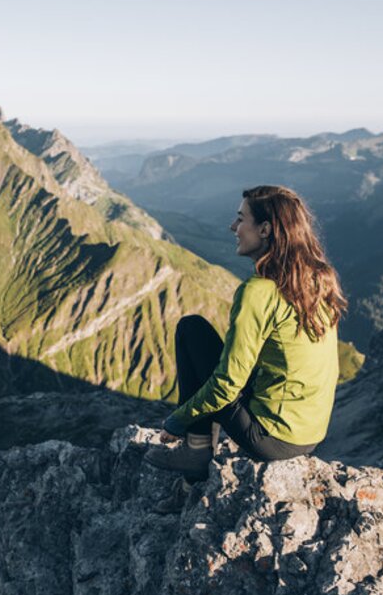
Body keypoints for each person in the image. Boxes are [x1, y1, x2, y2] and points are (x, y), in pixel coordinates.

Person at [145, 185, 347, 482]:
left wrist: (176, 422)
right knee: (206, 339)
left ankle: (196, 450)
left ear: (265, 229)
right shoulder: (317, 279)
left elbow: (226, 386)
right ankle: (197, 451)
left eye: (241, 219)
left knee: (191, 331)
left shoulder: (258, 292)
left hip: (271, 438)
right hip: (310, 432)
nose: (233, 227)